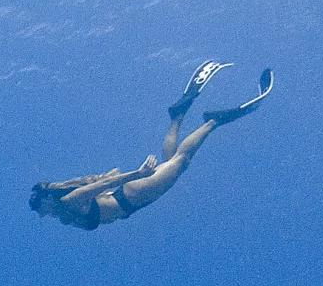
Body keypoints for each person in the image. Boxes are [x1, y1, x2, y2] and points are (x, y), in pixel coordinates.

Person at [31, 62, 272, 230]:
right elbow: (101, 189)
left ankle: (214, 121)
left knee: (182, 161)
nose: (41, 214)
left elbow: (102, 185)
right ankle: (178, 115)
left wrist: (138, 173)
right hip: (128, 198)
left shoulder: (69, 202)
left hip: (131, 196)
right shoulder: (64, 214)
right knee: (173, 160)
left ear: (48, 199)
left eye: (39, 207)